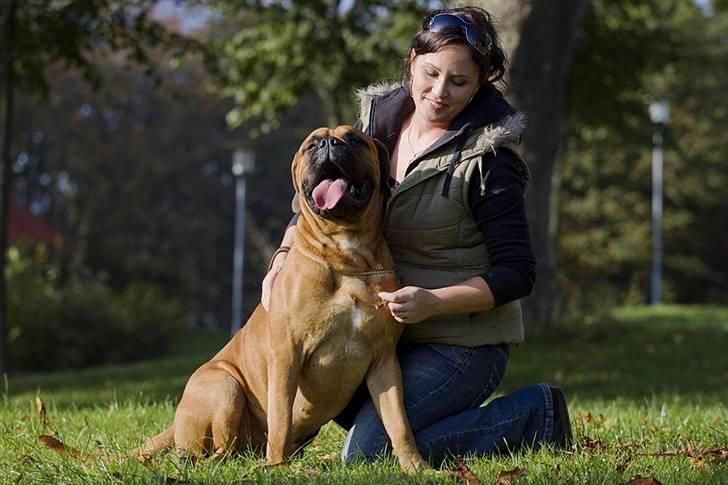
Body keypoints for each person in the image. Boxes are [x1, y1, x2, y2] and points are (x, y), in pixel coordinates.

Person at [262, 6, 572, 465]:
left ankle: (536, 415)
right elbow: (319, 197)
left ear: (480, 85)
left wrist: (434, 300)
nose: (439, 93)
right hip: (386, 338)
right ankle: (424, 425)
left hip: (460, 344)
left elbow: (517, 273)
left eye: (459, 82)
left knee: (367, 456)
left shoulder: (490, 161)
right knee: (330, 394)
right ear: (411, 61)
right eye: (430, 73)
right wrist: (284, 253)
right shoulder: (376, 126)